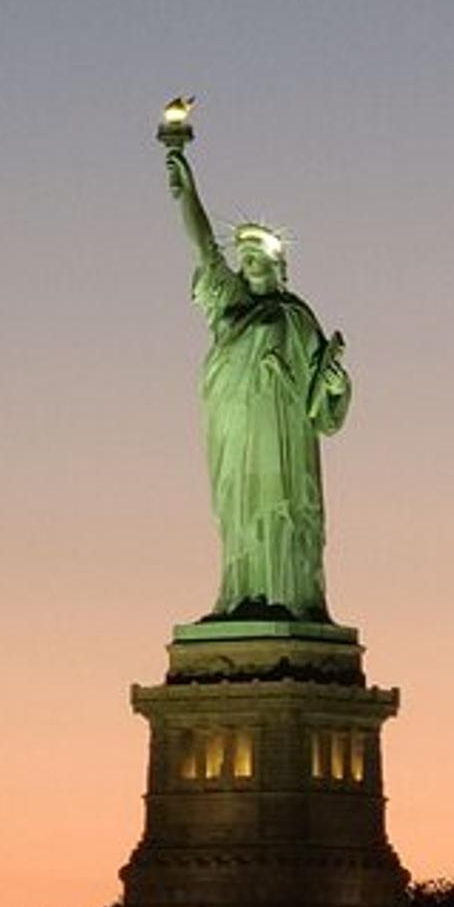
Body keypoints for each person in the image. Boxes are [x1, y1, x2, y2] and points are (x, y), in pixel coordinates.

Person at [166, 147, 350, 623]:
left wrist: (333, 383)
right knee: (239, 513)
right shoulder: (229, 304)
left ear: (277, 265)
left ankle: (289, 598)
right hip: (235, 423)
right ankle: (241, 595)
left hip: (283, 431)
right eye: (243, 257)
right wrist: (185, 186)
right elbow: (203, 246)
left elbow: (324, 408)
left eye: (257, 257)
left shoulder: (296, 317)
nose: (248, 263)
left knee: (283, 506)